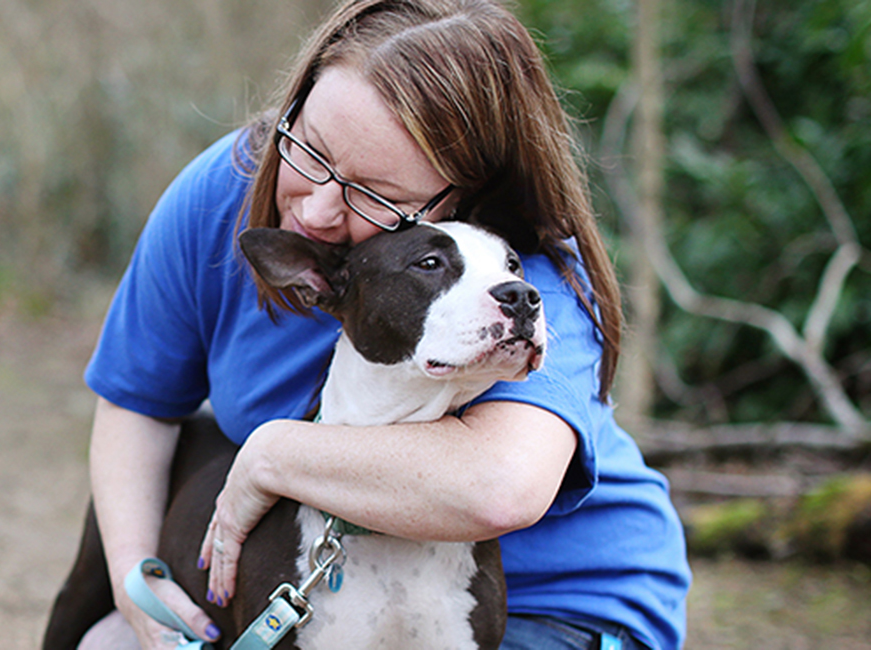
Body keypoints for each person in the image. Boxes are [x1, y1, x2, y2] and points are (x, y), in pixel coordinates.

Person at [77, 1, 692, 648]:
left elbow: (499, 487)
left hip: (556, 604)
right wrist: (133, 580)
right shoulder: (230, 189)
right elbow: (138, 400)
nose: (315, 209)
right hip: (332, 583)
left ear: (463, 200)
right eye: (311, 147)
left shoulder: (520, 277)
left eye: (378, 195)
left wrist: (272, 455)